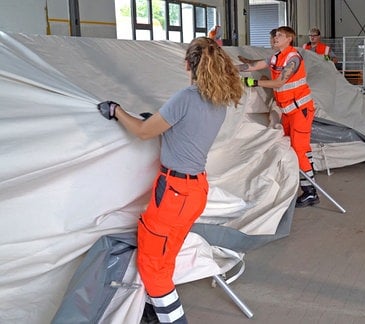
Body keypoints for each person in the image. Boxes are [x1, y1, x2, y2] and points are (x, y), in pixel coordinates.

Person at [97, 37, 243, 323]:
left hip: (174, 193)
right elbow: (188, 133)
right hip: (195, 189)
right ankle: (154, 311)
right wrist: (162, 121)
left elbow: (142, 131)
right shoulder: (218, 100)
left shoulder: (186, 98)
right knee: (165, 256)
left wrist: (116, 110)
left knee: (153, 266)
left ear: (188, 63)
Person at [238, 26, 319, 208]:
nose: (275, 38)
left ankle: (310, 192)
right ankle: (310, 176)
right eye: (275, 35)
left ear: (289, 39)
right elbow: (254, 65)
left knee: (298, 148)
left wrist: (253, 82)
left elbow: (280, 81)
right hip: (289, 111)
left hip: (301, 110)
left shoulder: (293, 58)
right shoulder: (276, 57)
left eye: (280, 35)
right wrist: (229, 69)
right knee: (296, 146)